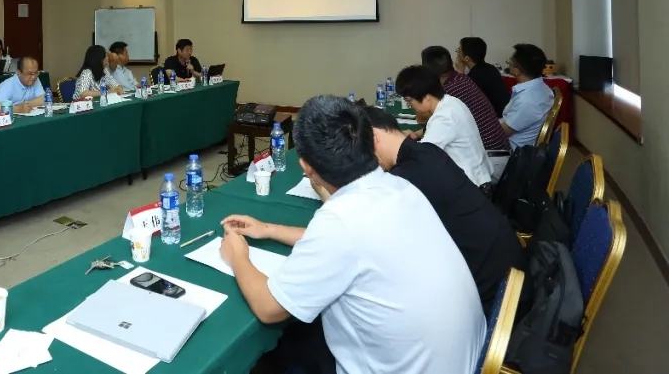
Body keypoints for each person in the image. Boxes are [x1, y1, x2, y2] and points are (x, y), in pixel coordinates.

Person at [218, 95, 484, 374]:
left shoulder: (340, 222)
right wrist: (268, 229)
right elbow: (351, 244)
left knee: (279, 355)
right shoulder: (398, 187)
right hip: (460, 360)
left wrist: (237, 256)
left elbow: (268, 308)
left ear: (306, 166)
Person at [365, 107, 525, 317]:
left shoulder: (404, 180)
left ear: (374, 137)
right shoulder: (428, 151)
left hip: (488, 297)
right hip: (507, 267)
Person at [395, 65, 492, 190]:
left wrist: (398, 143)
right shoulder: (450, 101)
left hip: (473, 187)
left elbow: (422, 156)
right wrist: (417, 134)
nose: (409, 105)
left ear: (427, 97)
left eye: (409, 100)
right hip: (477, 176)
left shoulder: (444, 117)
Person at [421, 46, 509, 151]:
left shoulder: (448, 91)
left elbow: (422, 118)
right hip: (498, 145)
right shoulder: (461, 78)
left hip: (489, 152)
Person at [501, 43, 555, 148]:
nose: (509, 65)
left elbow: (501, 133)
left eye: (510, 63)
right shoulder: (541, 88)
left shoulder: (527, 100)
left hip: (510, 150)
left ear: (516, 71)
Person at [457, 37, 510, 117]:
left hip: (494, 118)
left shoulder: (475, 76)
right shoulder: (490, 68)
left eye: (459, 51)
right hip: (504, 113)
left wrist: (460, 72)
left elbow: (461, 98)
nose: (457, 53)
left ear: (467, 58)